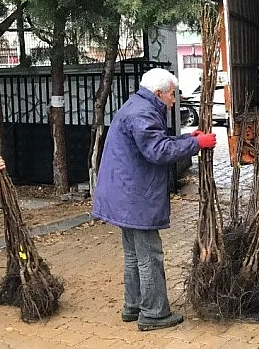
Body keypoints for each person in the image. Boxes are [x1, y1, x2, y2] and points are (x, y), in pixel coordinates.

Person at [92, 68, 216, 331]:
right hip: (134, 196)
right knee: (150, 254)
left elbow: (154, 142)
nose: (174, 100)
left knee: (134, 254)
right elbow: (157, 150)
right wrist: (197, 144)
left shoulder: (137, 106)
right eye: (172, 95)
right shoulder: (142, 112)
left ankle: (133, 306)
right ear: (158, 93)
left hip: (123, 193)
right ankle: (154, 314)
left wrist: (186, 138)